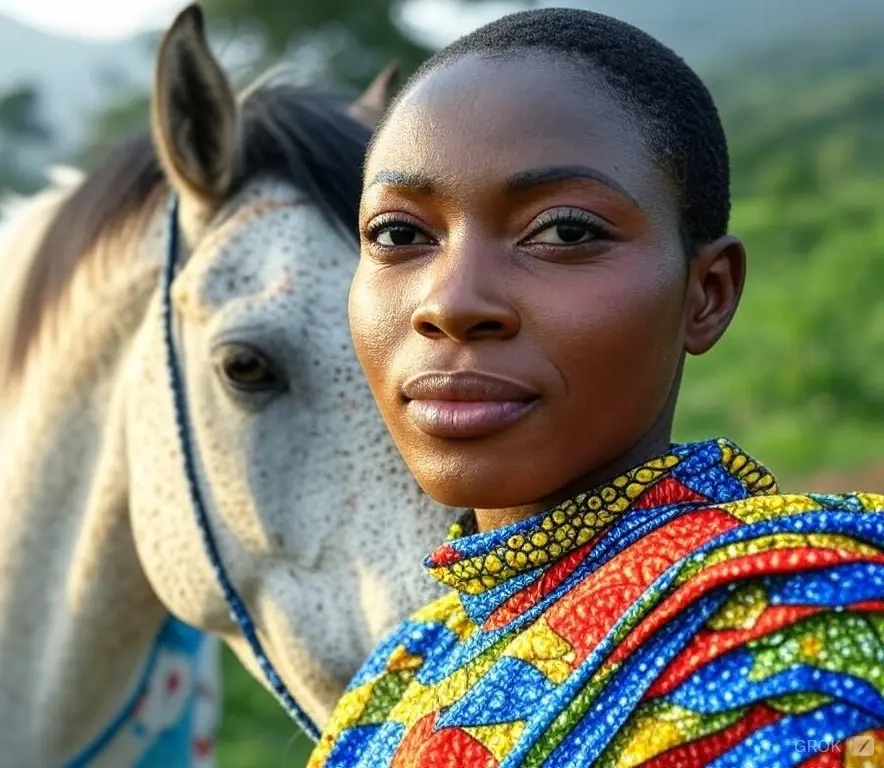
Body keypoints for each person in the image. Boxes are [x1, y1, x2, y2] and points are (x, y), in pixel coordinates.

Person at [307, 8, 884, 767]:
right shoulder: (396, 676)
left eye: (566, 231)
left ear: (705, 294)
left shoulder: (801, 639)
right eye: (400, 234)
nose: (450, 303)